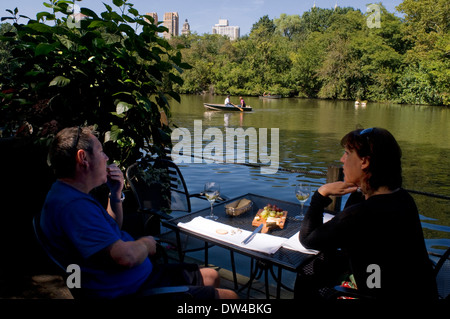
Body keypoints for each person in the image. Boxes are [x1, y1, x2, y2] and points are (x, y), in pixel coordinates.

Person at [40, 126, 238, 299]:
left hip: (134, 276)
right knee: (230, 297)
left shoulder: (69, 195)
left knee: (212, 277)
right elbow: (125, 258)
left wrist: (116, 194)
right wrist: (145, 243)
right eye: (101, 152)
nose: (107, 158)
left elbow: (110, 231)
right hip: (129, 290)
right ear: (83, 158)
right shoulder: (74, 207)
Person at [295, 127, 437, 301]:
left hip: (374, 293)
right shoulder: (403, 199)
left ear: (364, 162)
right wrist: (360, 186)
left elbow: (308, 239)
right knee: (324, 262)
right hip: (410, 290)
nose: (342, 159)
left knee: (307, 276)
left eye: (347, 154)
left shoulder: (360, 215)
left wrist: (321, 194)